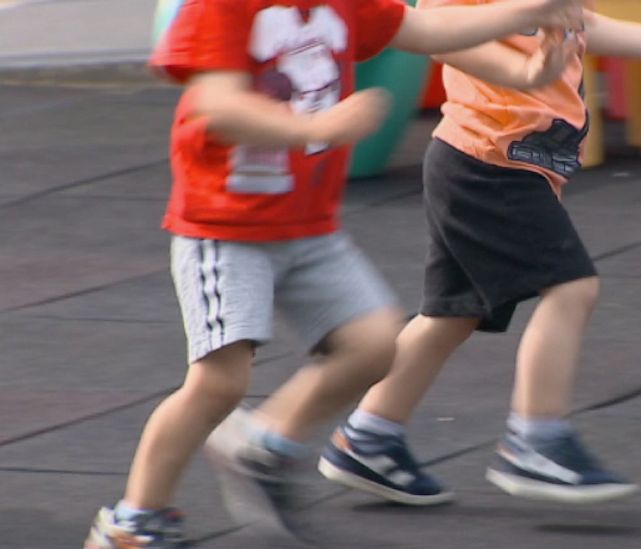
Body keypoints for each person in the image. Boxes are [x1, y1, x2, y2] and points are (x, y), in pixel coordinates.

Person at [83, 0, 588, 547]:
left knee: (374, 346)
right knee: (219, 382)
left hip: (309, 227)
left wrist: (523, 39)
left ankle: (265, 447)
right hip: (223, 226)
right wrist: (318, 125)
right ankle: (134, 519)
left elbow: (430, 28)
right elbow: (217, 106)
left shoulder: (344, 4)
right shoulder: (224, 7)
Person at [317, 1, 641, 507]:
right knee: (572, 289)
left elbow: (577, 20)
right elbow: (442, 35)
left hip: (491, 160)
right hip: (488, 162)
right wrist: (521, 73)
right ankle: (536, 439)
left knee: (451, 313)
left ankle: (368, 437)